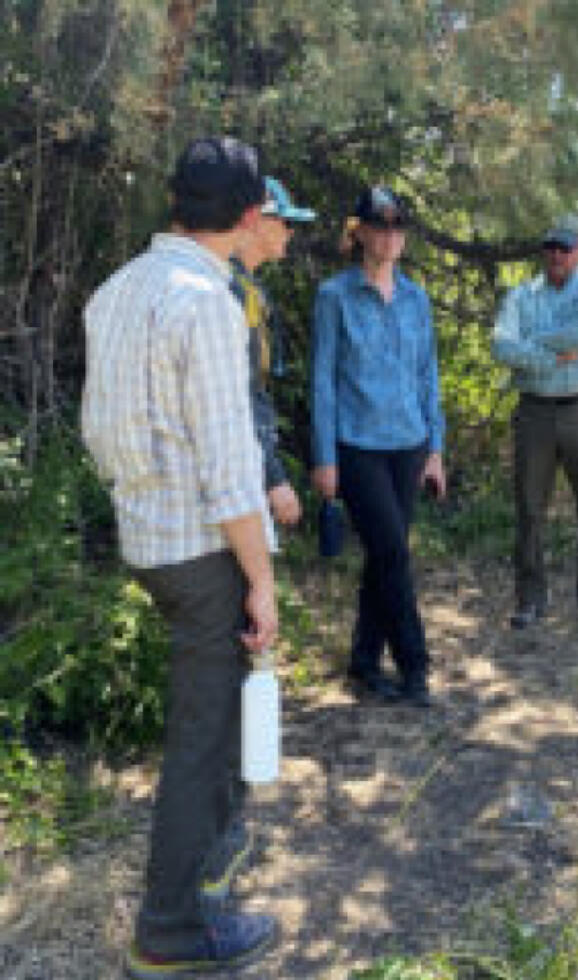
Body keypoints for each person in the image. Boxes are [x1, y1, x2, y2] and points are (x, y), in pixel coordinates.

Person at [81, 136, 279, 977]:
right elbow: (232, 474)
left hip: (148, 541)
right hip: (204, 551)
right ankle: (168, 931)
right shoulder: (206, 300)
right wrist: (262, 583)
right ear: (243, 215)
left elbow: (98, 432)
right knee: (201, 737)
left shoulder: (117, 289)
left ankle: (205, 880)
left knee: (214, 723)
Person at [311, 186, 446, 706]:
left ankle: (364, 662)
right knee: (392, 552)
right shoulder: (334, 296)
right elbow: (322, 380)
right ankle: (415, 667)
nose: (390, 234)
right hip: (357, 445)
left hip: (409, 443)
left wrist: (435, 448)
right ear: (360, 231)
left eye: (398, 226)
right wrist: (324, 457)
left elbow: (426, 374)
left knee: (381, 559)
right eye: (380, 224)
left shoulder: (416, 299)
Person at [491, 214, 578, 632]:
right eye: (551, 247)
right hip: (535, 412)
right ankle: (530, 599)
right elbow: (501, 345)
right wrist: (552, 354)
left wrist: (534, 342)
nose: (557, 255)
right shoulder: (522, 296)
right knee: (529, 509)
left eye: (566, 247)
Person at [232, 175, 317, 528]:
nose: (291, 232)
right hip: (238, 469)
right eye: (285, 222)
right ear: (256, 222)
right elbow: (238, 394)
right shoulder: (229, 291)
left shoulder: (247, 286)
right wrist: (274, 477)